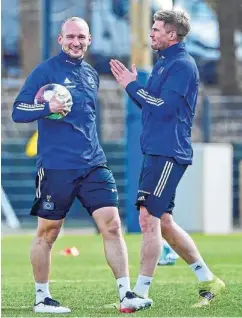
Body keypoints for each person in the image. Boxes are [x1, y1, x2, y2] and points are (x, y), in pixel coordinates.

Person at [12, 17, 152, 314]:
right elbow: (18, 111)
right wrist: (46, 107)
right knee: (48, 233)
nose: (76, 42)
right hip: (56, 166)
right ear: (61, 39)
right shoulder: (45, 71)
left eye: (82, 37)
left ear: (89, 40)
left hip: (93, 164)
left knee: (112, 225)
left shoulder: (91, 74)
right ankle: (42, 298)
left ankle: (126, 294)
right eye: (71, 37)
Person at [110, 10, 225, 308]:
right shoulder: (165, 64)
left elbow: (162, 107)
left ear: (172, 34)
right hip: (157, 151)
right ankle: (208, 280)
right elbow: (152, 105)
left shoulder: (183, 65)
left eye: (157, 29)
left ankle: (140, 294)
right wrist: (136, 87)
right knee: (164, 222)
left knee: (148, 218)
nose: (151, 33)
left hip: (168, 152)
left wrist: (131, 86)